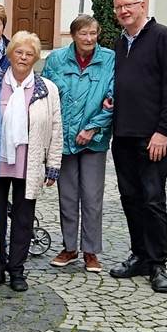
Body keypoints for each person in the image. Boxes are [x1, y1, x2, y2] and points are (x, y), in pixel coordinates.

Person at [108, 0, 167, 293]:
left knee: (152, 200)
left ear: (142, 6)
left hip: (153, 137)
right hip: (123, 135)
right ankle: (139, 255)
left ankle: (157, 264)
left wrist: (163, 131)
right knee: (130, 198)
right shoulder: (119, 42)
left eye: (129, 5)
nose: (124, 11)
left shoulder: (162, 37)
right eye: (118, 8)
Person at [0, 31, 62, 293]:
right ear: (10, 54)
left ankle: (17, 269)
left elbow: (55, 127)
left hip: (29, 163)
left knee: (23, 219)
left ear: (36, 59)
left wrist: (53, 165)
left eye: (29, 54)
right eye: (19, 52)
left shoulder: (46, 89)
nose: (23, 58)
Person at [42, 14, 115, 274]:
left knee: (93, 198)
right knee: (68, 196)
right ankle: (69, 248)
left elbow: (113, 98)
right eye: (83, 33)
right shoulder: (56, 60)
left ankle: (91, 251)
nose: (88, 39)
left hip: (94, 141)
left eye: (93, 33)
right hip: (64, 139)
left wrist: (93, 128)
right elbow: (47, 98)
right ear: (73, 35)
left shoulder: (109, 60)